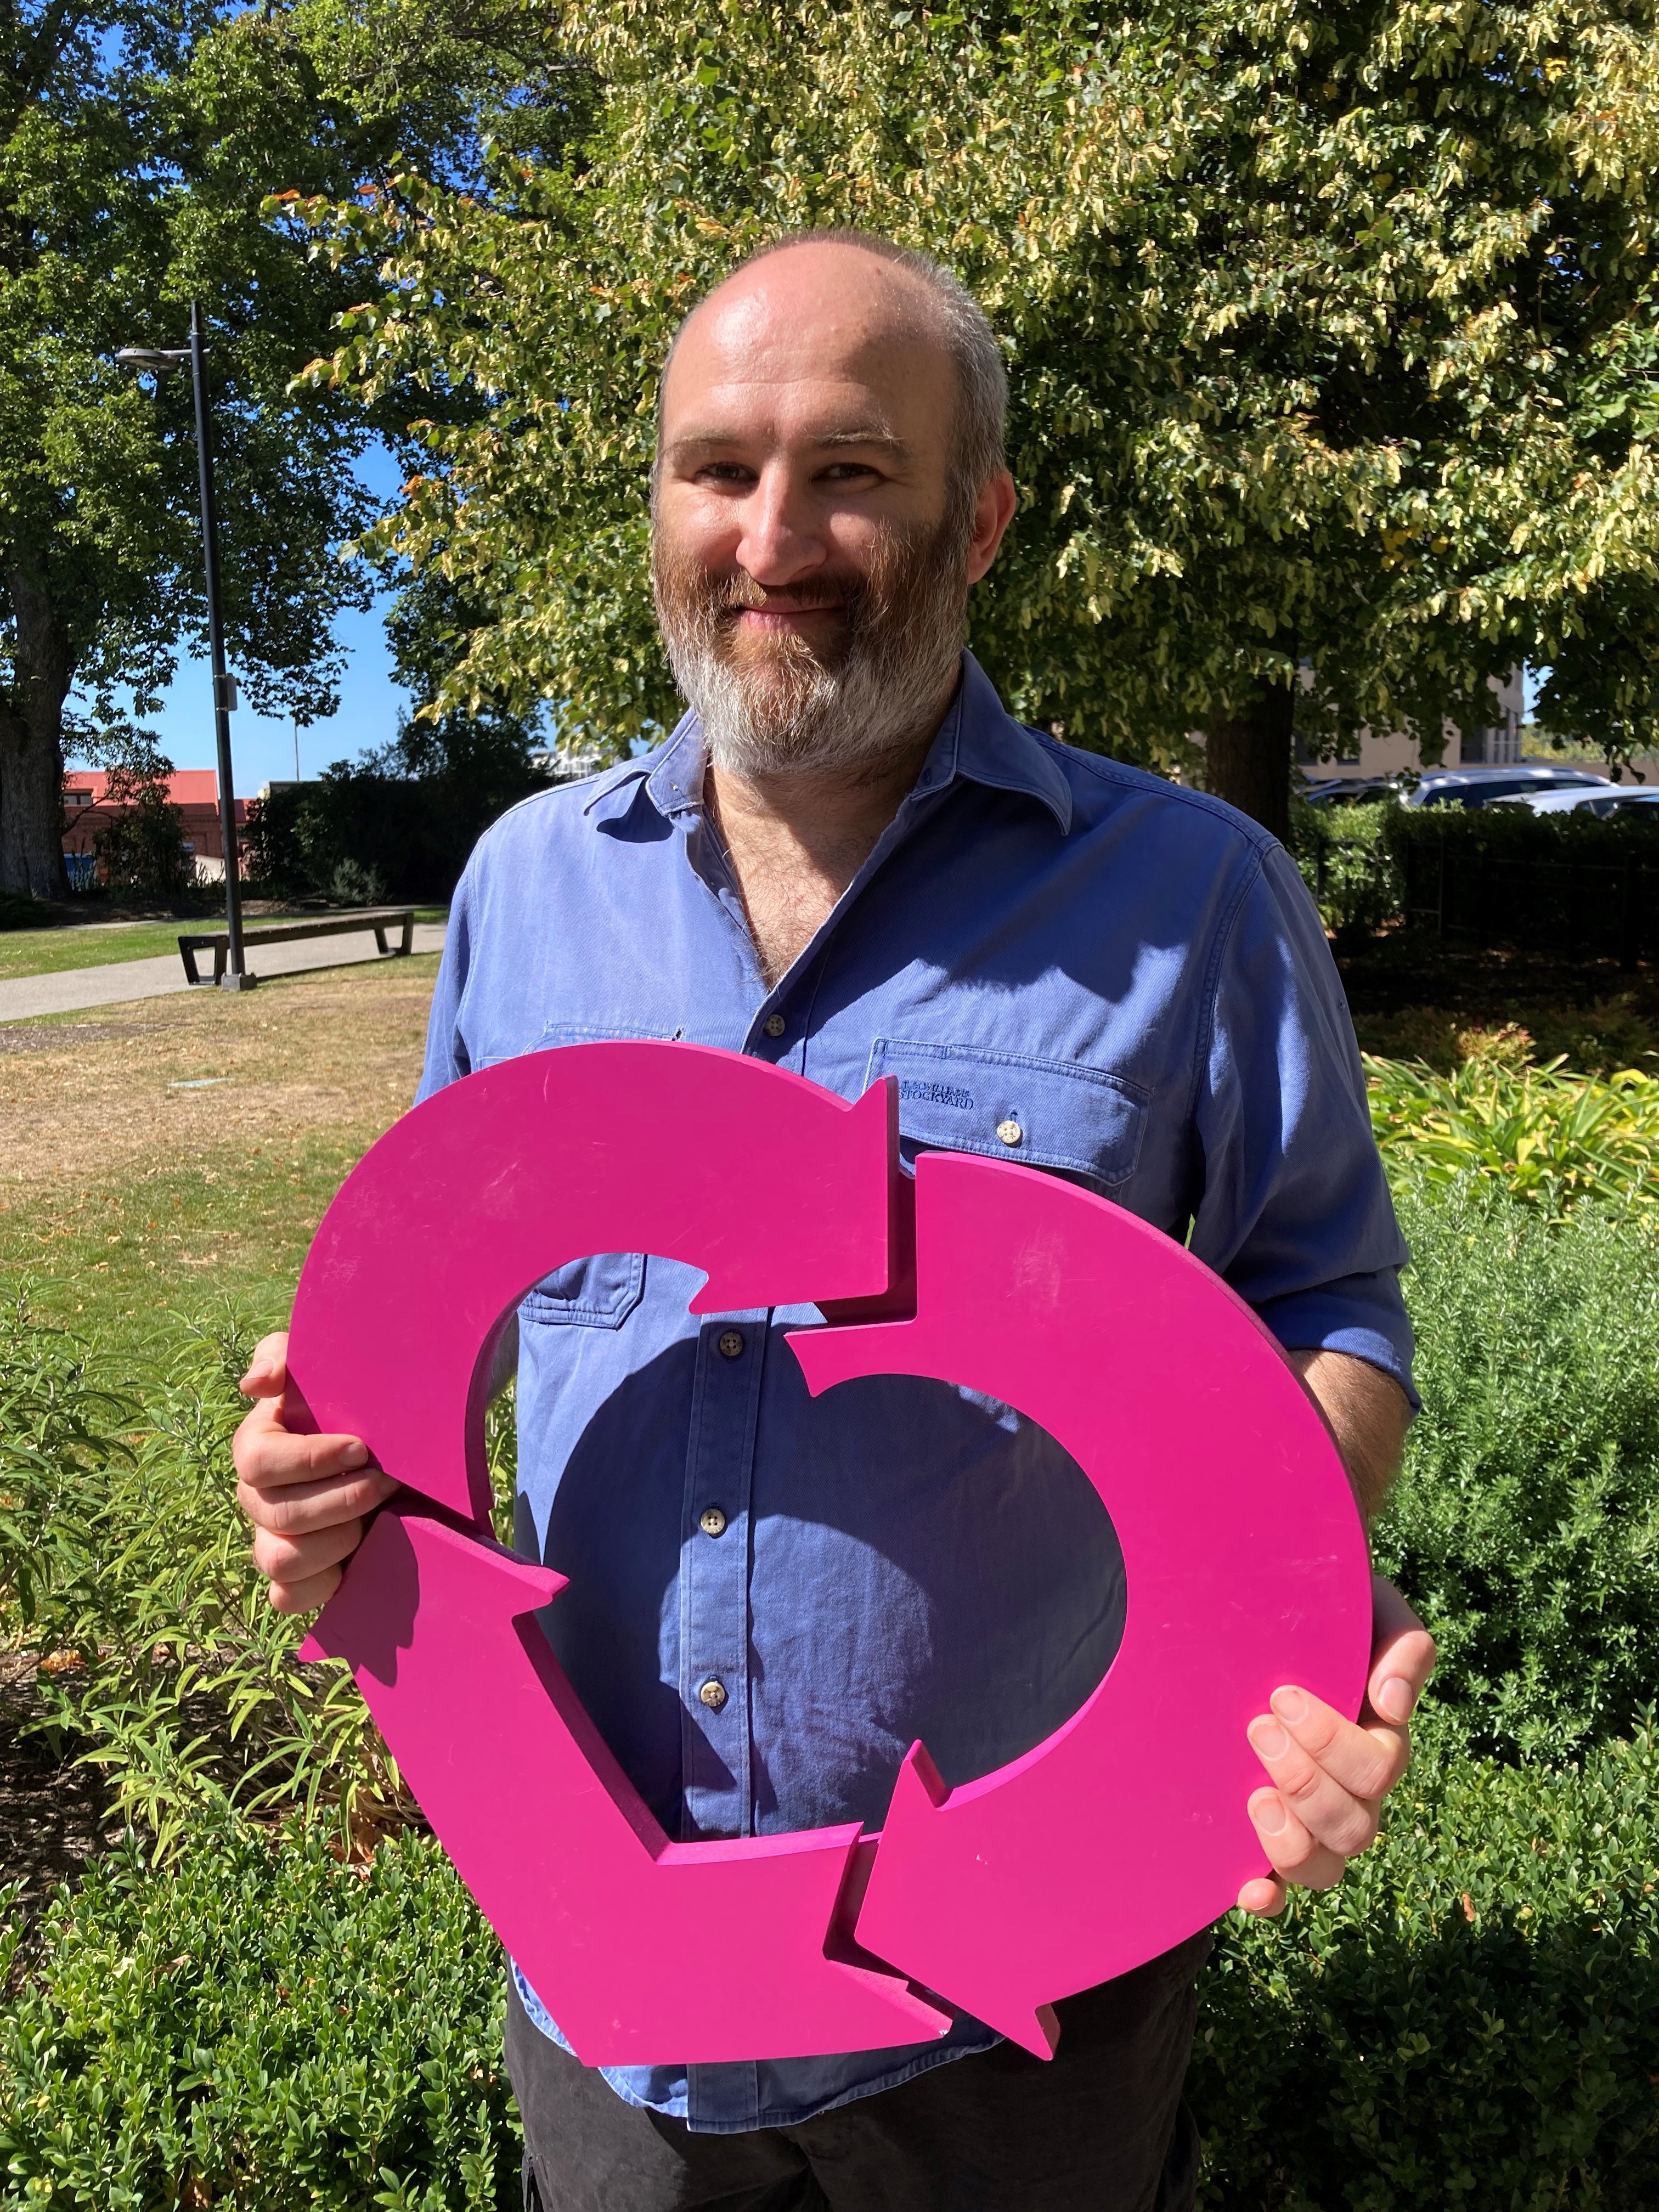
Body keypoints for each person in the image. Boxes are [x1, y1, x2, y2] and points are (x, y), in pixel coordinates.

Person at [234, 230, 1436, 2212]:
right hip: (607, 1992)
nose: (771, 533)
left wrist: (1290, 1597)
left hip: (1019, 2013)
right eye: (718, 467)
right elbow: (425, 1327)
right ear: (659, 507)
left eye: (852, 470)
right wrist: (316, 1485)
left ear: (981, 521)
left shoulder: (1194, 897)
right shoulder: (527, 889)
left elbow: (1331, 1304)